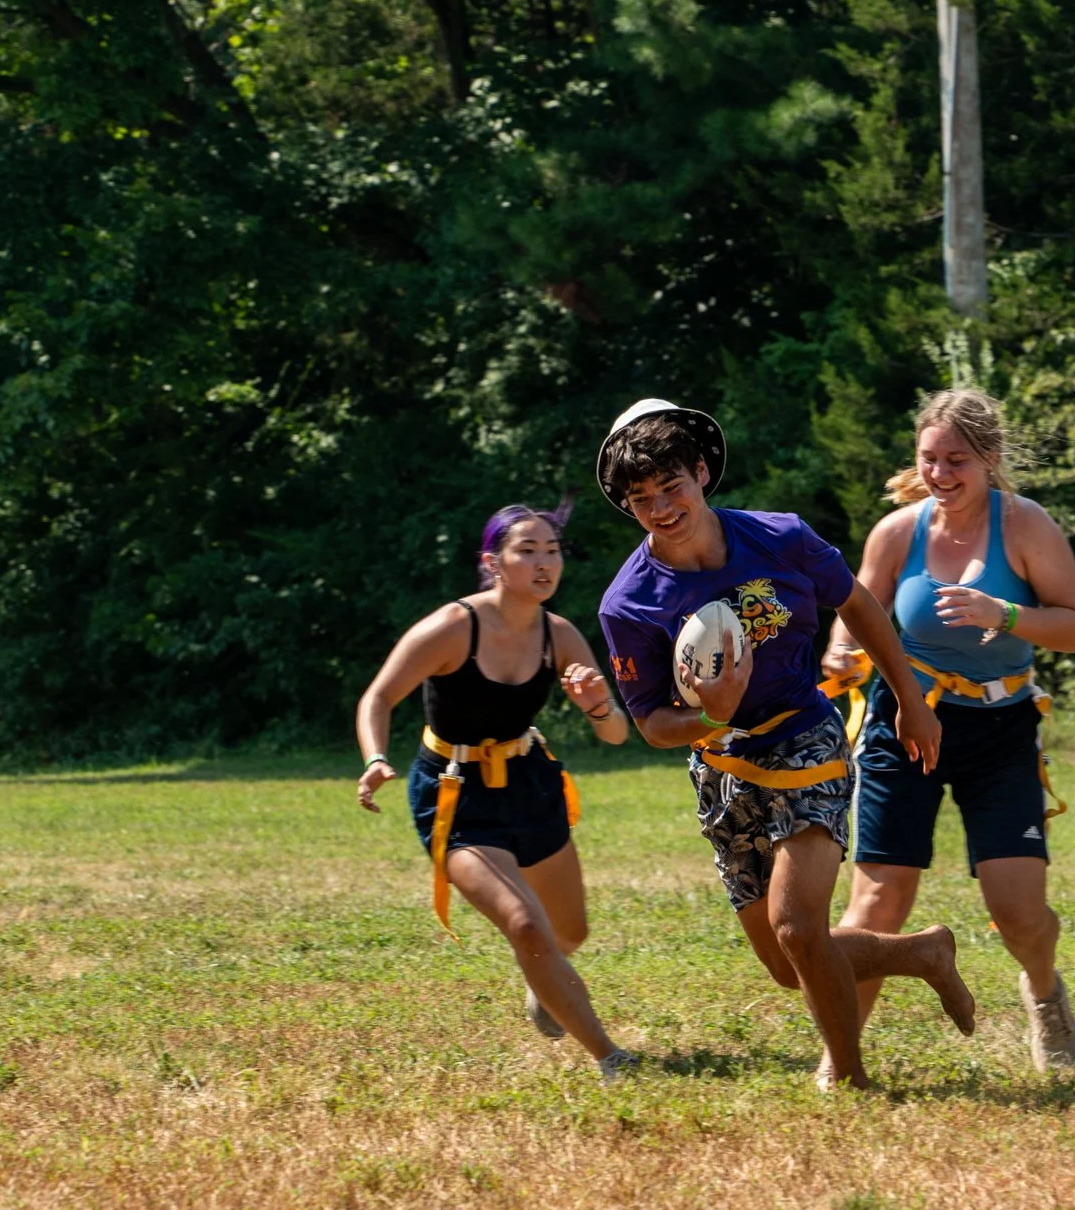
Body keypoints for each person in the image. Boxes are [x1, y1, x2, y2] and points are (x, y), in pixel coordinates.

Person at [594, 398, 977, 1091]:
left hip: (806, 737)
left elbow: (857, 603)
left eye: (671, 486)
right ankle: (922, 953)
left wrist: (911, 701)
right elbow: (651, 722)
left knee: (799, 929)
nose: (661, 508)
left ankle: (851, 1081)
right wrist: (711, 717)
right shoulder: (628, 603)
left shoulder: (780, 537)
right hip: (722, 768)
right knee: (784, 962)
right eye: (641, 498)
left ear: (701, 471)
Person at [823, 390, 1075, 1072]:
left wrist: (1005, 614)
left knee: (1020, 914)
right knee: (879, 901)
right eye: (929, 458)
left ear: (990, 459)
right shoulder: (897, 532)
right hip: (905, 720)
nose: (940, 473)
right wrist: (841, 652)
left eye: (957, 460)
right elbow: (855, 610)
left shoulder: (1026, 526)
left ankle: (1044, 992)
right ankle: (841, 1053)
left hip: (1001, 730)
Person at [355, 502, 639, 1081]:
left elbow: (615, 734)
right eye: (527, 551)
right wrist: (377, 758)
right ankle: (612, 1057)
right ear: (493, 563)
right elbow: (378, 697)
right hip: (455, 791)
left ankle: (545, 981)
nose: (544, 563)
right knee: (526, 925)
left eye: (552, 551)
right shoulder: (453, 627)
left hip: (530, 783)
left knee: (569, 931)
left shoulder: (559, 635)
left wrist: (596, 706)